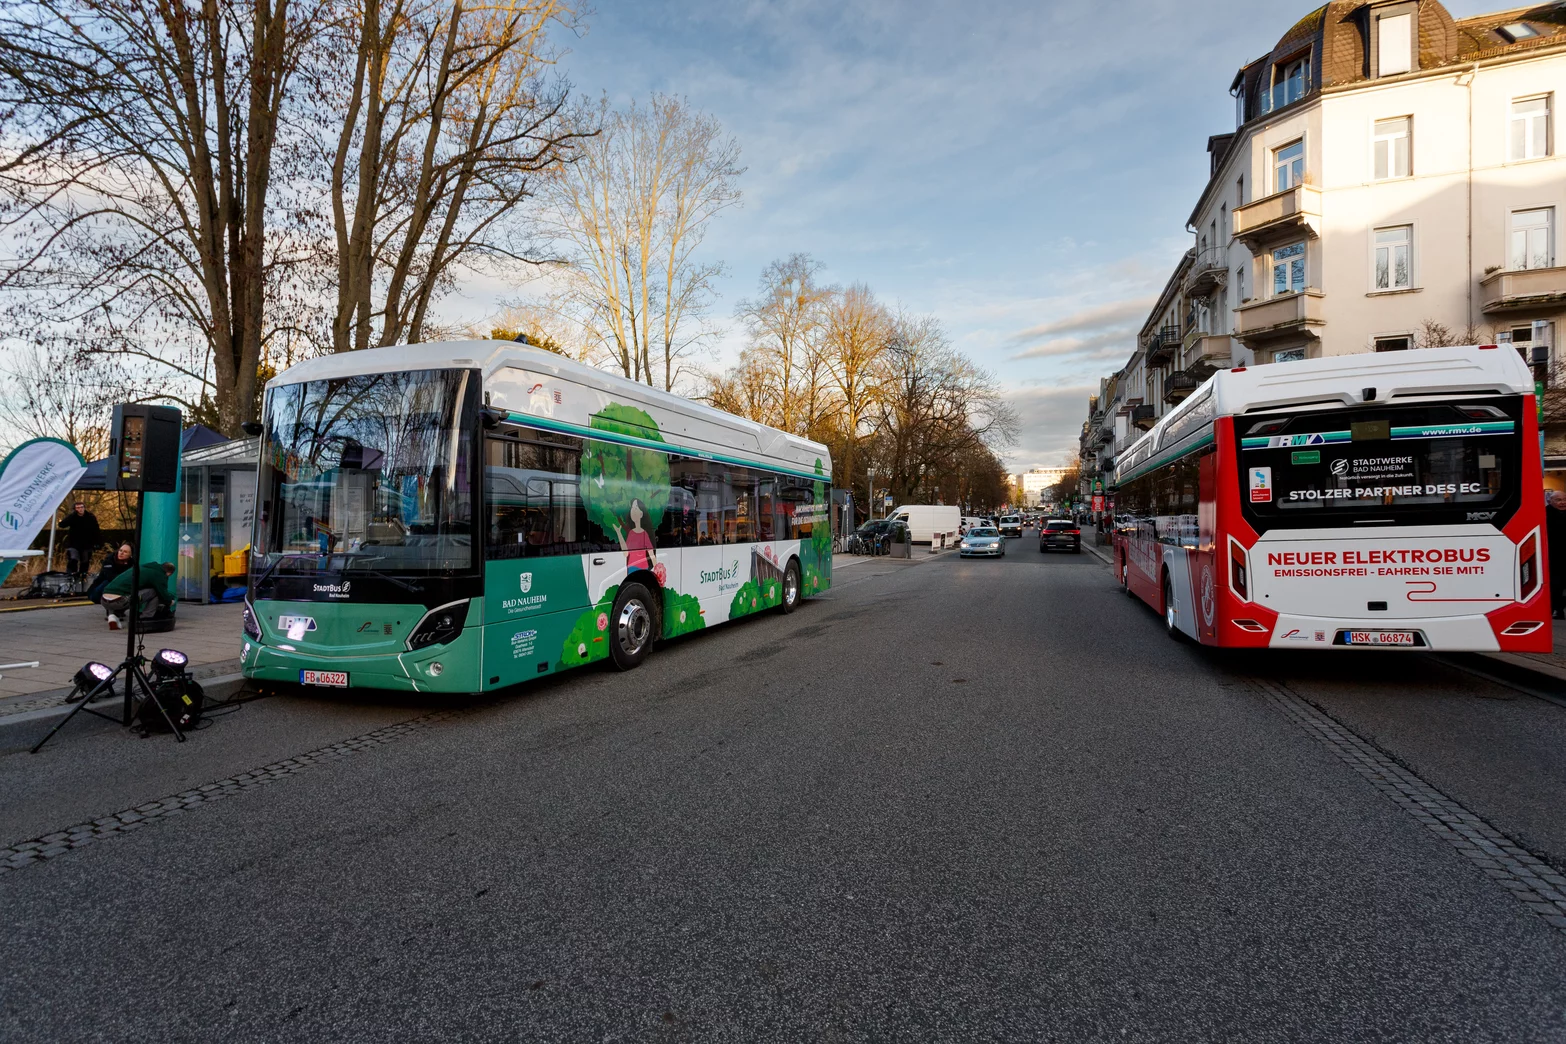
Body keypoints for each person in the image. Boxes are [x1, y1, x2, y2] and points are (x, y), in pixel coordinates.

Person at [101, 561, 175, 631]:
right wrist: (169, 601)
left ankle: (113, 616)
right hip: (121, 601)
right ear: (169, 573)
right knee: (155, 592)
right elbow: (162, 593)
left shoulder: (141, 568)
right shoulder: (159, 574)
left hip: (104, 600)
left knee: (124, 591)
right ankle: (146, 617)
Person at [57, 501, 101, 581]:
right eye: (78, 508)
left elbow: (96, 530)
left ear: (84, 508)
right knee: (73, 559)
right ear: (75, 509)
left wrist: (97, 542)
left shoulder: (90, 517)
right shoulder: (72, 517)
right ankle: (71, 576)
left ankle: (82, 577)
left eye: (81, 507)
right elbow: (62, 525)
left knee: (85, 561)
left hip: (87, 543)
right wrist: (72, 515)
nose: (80, 509)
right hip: (73, 543)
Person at [612, 497, 658, 571]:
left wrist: (656, 568)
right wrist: (619, 533)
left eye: (636, 508)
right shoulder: (631, 533)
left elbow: (651, 553)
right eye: (632, 508)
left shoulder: (644, 534)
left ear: (641, 513)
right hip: (631, 567)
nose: (632, 511)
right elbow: (626, 553)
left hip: (643, 567)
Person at [1547, 490, 1566, 619]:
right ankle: (1557, 609)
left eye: (1564, 499)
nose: (1563, 502)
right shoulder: (1545, 514)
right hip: (1554, 555)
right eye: (1558, 500)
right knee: (1556, 584)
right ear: (1550, 501)